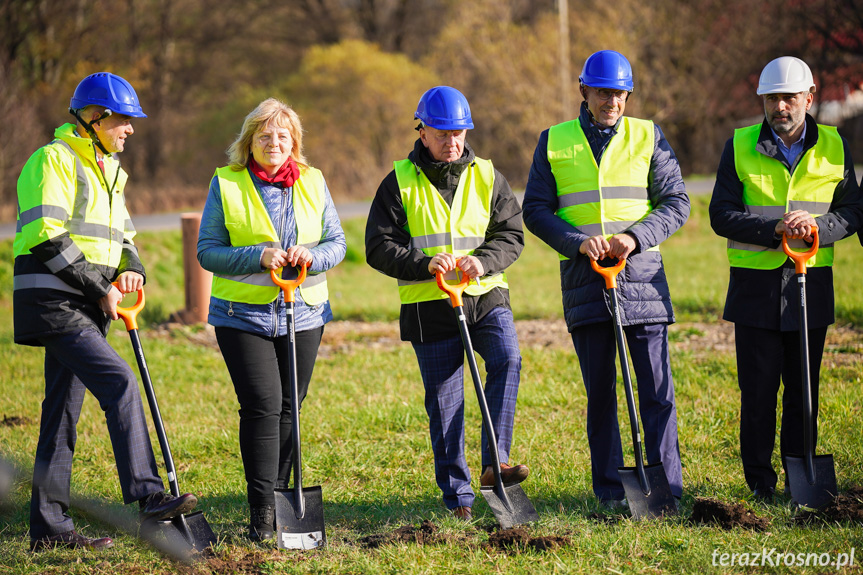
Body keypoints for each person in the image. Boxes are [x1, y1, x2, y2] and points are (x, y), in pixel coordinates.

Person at [13, 72, 198, 551]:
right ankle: (148, 494)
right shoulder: (52, 161)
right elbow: (45, 234)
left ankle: (49, 532)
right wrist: (100, 288)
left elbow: (125, 237)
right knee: (120, 382)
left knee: (61, 416)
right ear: (95, 119)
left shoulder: (110, 169)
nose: (131, 129)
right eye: (123, 119)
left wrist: (130, 269)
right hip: (55, 304)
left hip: (87, 303)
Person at [522, 50, 688, 509]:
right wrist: (577, 242)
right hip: (585, 279)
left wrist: (635, 237)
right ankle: (612, 491)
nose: (610, 100)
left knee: (656, 391)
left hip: (642, 277)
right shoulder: (553, 141)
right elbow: (534, 210)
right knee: (601, 395)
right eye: (601, 91)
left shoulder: (648, 136)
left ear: (628, 94)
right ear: (584, 92)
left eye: (617, 92)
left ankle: (666, 488)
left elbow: (676, 201)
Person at [365, 86, 528, 521]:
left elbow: (511, 235)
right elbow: (377, 247)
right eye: (442, 134)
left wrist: (482, 262)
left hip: (486, 295)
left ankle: (496, 463)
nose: (452, 142)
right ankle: (459, 497)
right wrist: (422, 263)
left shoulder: (489, 175)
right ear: (422, 132)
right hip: (428, 306)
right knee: (445, 403)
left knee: (508, 360)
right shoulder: (397, 182)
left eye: (459, 133)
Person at [709, 56, 863, 501]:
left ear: (809, 98)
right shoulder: (738, 145)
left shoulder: (835, 145)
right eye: (771, 98)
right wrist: (773, 229)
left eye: (789, 97)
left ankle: (802, 481)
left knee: (803, 391)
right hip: (755, 290)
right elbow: (721, 214)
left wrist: (818, 229)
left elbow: (852, 211)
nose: (780, 106)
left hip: (810, 287)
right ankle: (759, 484)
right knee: (757, 394)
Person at [197, 98, 346, 540]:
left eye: (283, 135)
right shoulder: (226, 183)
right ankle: (262, 512)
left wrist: (312, 256)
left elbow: (336, 242)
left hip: (304, 316)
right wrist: (256, 256)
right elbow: (208, 251)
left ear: (294, 142)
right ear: (249, 142)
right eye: (264, 136)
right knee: (263, 406)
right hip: (242, 317)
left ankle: (285, 503)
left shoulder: (314, 182)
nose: (274, 142)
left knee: (289, 410)